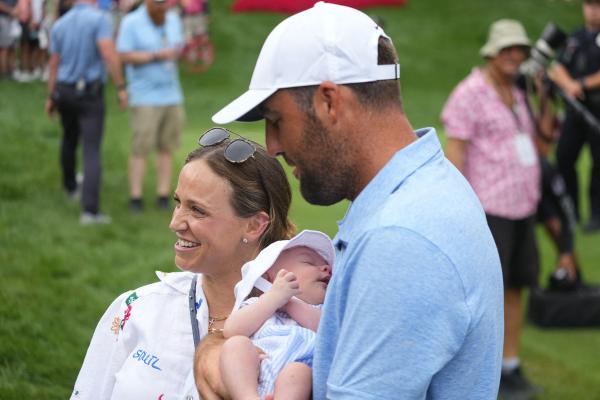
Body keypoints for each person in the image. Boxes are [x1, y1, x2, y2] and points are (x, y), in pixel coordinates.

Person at [212, 2, 504, 399]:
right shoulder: (427, 187)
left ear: (330, 101)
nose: (272, 146)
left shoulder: (400, 238)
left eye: (277, 120)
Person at [70, 127, 295, 399]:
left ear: (254, 225)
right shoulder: (137, 309)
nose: (175, 223)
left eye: (197, 210)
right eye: (179, 203)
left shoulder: (302, 326)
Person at [441, 19, 550, 399]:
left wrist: (543, 96)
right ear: (491, 53)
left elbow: (544, 141)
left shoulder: (518, 93)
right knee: (486, 295)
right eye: (506, 49)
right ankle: (483, 372)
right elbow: (455, 154)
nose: (514, 56)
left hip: (521, 208)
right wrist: (457, 212)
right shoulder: (469, 93)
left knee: (517, 286)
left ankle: (510, 366)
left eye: (519, 49)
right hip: (488, 211)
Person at [215, 230, 334, 400]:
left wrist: (291, 304)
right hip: (255, 373)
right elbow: (232, 330)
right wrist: (273, 298)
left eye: (328, 267)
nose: (327, 268)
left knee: (298, 372)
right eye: (308, 262)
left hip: (296, 383)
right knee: (235, 345)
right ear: (267, 278)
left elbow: (329, 332)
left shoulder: (324, 311)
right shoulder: (260, 305)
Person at [45, 0, 127, 224]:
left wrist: (51, 96)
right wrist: (120, 87)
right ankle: (90, 211)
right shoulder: (99, 19)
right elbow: (109, 53)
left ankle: (71, 187)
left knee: (69, 139)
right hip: (89, 93)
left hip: (64, 91)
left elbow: (54, 63)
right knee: (91, 149)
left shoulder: (60, 23)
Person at [116, 0, 185, 212]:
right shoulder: (131, 22)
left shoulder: (173, 19)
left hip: (172, 94)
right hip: (144, 96)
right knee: (141, 148)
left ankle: (163, 195)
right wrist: (155, 56)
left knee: (167, 147)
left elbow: (178, 48)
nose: (162, 6)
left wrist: (180, 53)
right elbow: (124, 55)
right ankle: (135, 197)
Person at [549, 0, 600, 233]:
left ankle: (596, 215)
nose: (593, 10)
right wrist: (570, 84)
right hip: (574, 110)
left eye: (598, 5)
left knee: (598, 164)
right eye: (589, 4)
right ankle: (571, 211)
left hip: (597, 111)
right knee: (564, 157)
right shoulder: (576, 37)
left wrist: (581, 84)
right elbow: (557, 67)